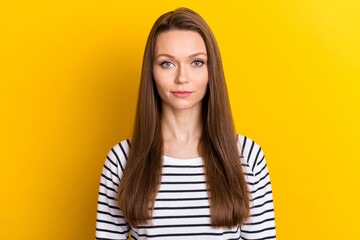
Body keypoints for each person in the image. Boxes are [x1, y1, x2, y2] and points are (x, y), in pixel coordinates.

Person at [95, 7, 276, 240]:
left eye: (197, 62)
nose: (182, 78)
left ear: (212, 70)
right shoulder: (122, 160)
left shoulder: (248, 156)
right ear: (150, 71)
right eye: (167, 63)